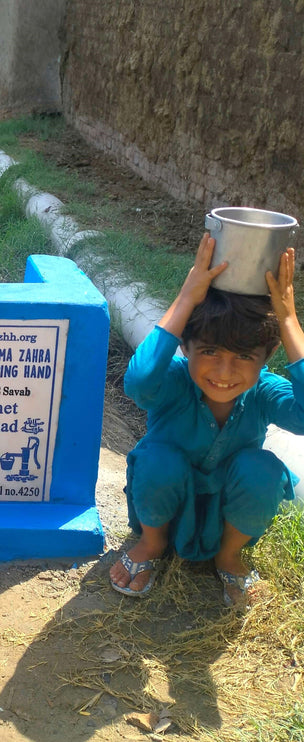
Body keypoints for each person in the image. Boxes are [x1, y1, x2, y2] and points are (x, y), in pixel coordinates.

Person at [110, 233, 304, 607]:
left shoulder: (264, 391)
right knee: (157, 458)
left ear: (268, 355)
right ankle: (152, 543)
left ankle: (228, 555)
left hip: (227, 515)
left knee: (262, 469)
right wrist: (186, 298)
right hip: (160, 506)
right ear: (185, 346)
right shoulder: (175, 380)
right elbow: (138, 382)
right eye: (210, 351)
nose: (224, 372)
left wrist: (289, 320)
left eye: (244, 356)